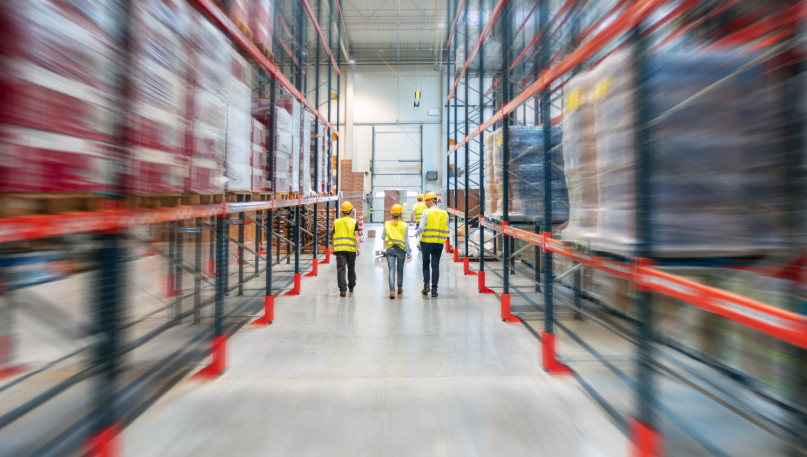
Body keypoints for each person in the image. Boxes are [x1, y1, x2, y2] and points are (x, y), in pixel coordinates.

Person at [414, 191, 449, 297]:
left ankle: (426, 285)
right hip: (438, 242)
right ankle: (434, 289)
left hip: (426, 242)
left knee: (425, 263)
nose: (425, 203)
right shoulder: (444, 213)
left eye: (426, 201)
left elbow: (422, 227)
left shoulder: (426, 212)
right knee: (435, 265)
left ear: (430, 200)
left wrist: (416, 235)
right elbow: (446, 226)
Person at [381, 204, 411, 299]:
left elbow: (382, 237)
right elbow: (406, 240)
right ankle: (399, 287)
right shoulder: (404, 225)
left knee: (391, 269)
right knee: (400, 269)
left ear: (392, 214)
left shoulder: (387, 224)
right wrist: (408, 251)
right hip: (401, 250)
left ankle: (392, 291)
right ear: (401, 213)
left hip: (390, 249)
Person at [333, 201, 361, 297]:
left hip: (339, 249)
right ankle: (351, 286)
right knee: (351, 268)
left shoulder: (336, 222)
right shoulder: (354, 222)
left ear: (342, 211)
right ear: (351, 211)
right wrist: (359, 248)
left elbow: (333, 235)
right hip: (351, 249)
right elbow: (356, 236)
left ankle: (342, 290)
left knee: (341, 269)